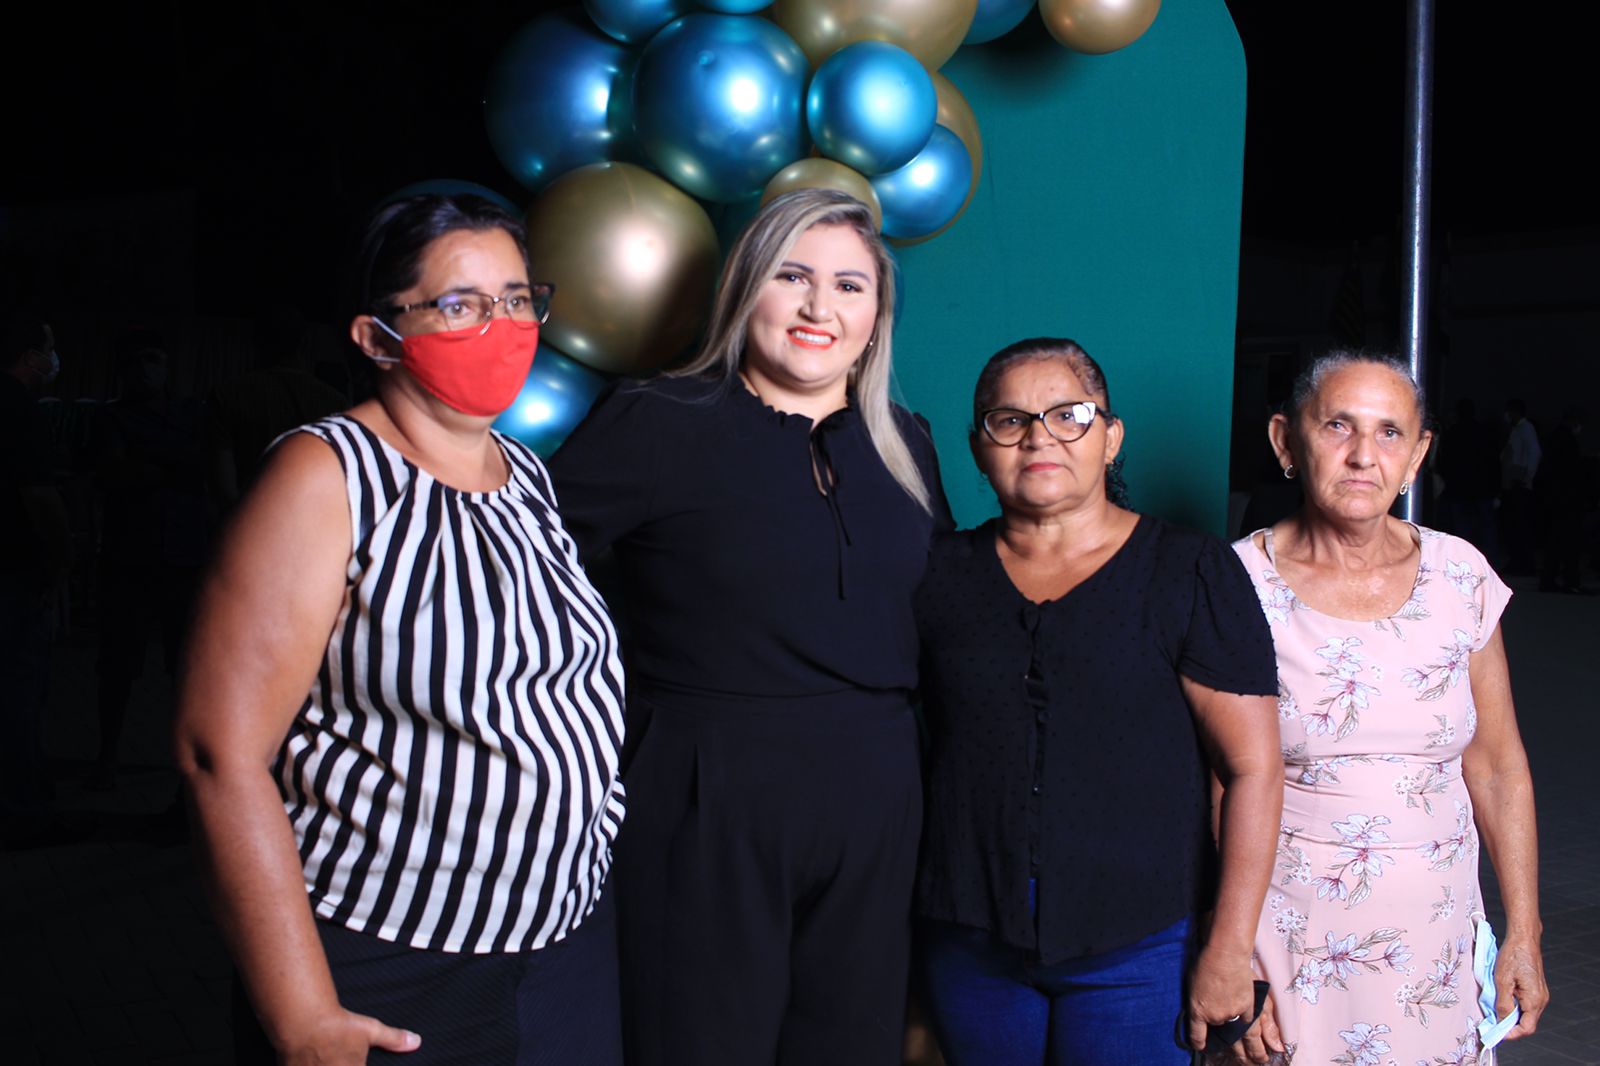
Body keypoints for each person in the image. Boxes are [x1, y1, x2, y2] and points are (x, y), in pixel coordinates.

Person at [173, 194, 628, 1065]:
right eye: (460, 304)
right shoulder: (324, 476)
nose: (500, 326)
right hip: (397, 958)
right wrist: (302, 1013)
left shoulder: (524, 473)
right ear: (378, 338)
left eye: (516, 298)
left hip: (561, 946)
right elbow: (216, 754)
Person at [547, 188, 952, 1066]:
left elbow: (943, 619)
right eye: (792, 276)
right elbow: (515, 572)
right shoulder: (659, 418)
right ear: (744, 288)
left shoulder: (907, 443)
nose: (819, 307)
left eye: (849, 286)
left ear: (876, 317)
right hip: (707, 790)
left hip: (879, 795)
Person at [912, 337, 1283, 1066]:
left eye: (1069, 415)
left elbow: (1253, 769)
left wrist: (1229, 948)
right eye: (1009, 420)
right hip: (969, 938)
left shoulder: (1188, 569)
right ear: (979, 449)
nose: (1039, 437)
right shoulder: (938, 575)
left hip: (1140, 947)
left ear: (1110, 438)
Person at [1236, 351, 1549, 1063]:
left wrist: (1524, 933)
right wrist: (1234, 956)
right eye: (1337, 426)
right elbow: (1213, 788)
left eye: (1389, 433)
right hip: (1286, 941)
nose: (1362, 455)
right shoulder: (1236, 583)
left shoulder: (1460, 575)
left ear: (1417, 455)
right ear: (1286, 441)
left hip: (1436, 943)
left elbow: (1498, 766)